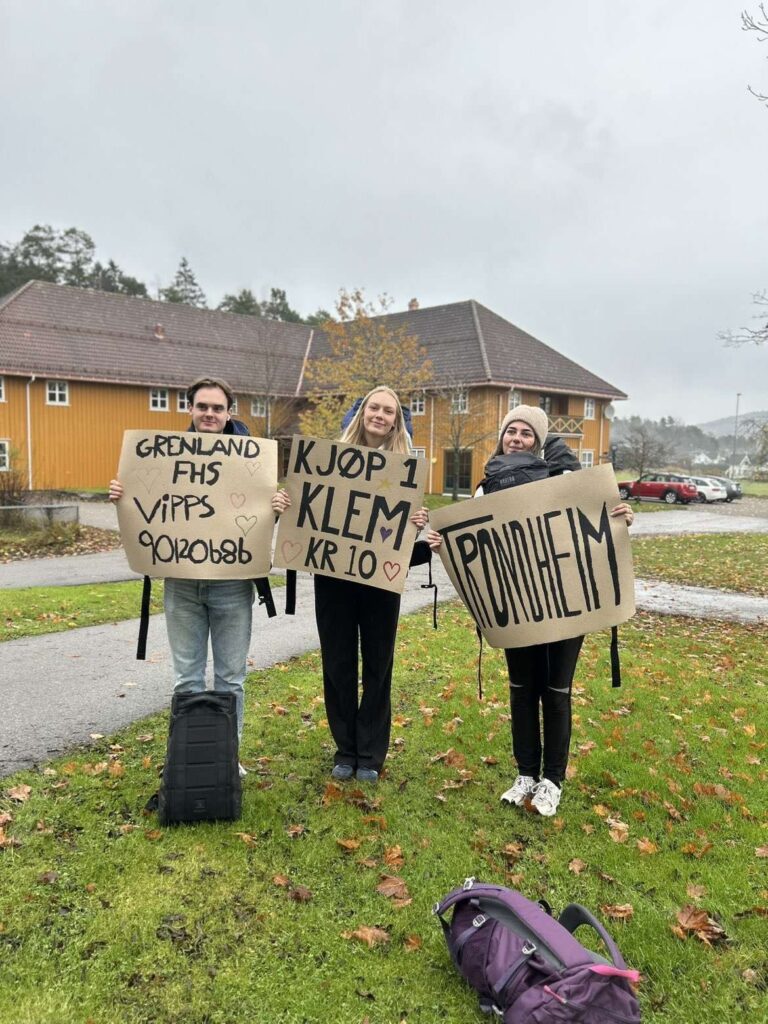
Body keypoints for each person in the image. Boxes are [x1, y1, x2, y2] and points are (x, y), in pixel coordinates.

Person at [427, 404, 634, 817]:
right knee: (522, 691)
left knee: (556, 692)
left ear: (538, 442)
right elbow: (473, 544)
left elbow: (591, 526)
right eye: (511, 431)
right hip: (517, 604)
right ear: (502, 437)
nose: (517, 438)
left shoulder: (563, 481)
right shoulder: (486, 488)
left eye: (526, 433)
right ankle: (525, 773)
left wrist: (621, 517)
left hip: (565, 605)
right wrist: (443, 544)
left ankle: (551, 781)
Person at [272, 386, 429, 784]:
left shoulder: (405, 471)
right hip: (334, 579)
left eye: (388, 411)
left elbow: (400, 539)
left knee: (379, 664)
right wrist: (289, 503)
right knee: (338, 662)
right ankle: (345, 748)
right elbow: (309, 514)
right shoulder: (328, 461)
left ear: (396, 421)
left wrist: (415, 525)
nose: (380, 415)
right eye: (374, 407)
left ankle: (370, 754)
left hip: (380, 583)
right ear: (362, 412)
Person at [109, 376, 255, 778]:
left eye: (217, 408)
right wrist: (124, 495)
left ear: (229, 413)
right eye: (202, 406)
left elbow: (257, 521)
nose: (210, 414)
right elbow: (148, 507)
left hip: (232, 585)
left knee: (231, 680)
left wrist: (274, 505)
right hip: (182, 584)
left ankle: (226, 759)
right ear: (190, 410)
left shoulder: (251, 461)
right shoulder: (163, 458)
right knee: (186, 679)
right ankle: (188, 759)